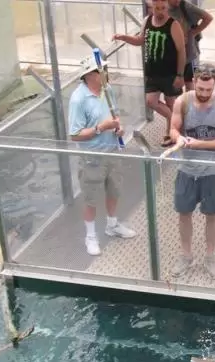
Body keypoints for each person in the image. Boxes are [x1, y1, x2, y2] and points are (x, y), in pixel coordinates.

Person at [168, 63, 215, 278]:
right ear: (194, 84)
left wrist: (198, 144)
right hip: (187, 170)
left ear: (214, 85)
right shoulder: (183, 102)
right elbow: (173, 129)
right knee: (184, 213)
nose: (204, 93)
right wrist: (177, 138)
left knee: (212, 214)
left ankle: (210, 256)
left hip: (213, 171)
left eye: (208, 90)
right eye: (200, 89)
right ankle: (186, 255)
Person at [67, 58, 138, 256]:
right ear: (89, 75)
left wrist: (118, 128)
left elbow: (115, 118)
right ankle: (90, 236)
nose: (106, 72)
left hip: (112, 151)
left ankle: (112, 225)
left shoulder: (108, 91)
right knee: (90, 198)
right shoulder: (78, 99)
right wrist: (101, 128)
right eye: (102, 70)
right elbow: (74, 134)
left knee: (114, 190)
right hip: (92, 157)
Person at [113, 0, 187, 148]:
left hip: (170, 73)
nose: (160, 11)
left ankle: (170, 133)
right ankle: (173, 121)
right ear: (152, 7)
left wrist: (180, 75)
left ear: (167, 8)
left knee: (172, 103)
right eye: (157, 8)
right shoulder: (147, 20)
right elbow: (140, 40)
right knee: (151, 102)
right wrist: (124, 37)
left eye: (163, 8)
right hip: (152, 73)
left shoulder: (173, 25)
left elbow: (181, 51)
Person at [166, 0, 213, 92]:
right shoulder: (161, 7)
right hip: (171, 54)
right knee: (174, 85)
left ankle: (189, 104)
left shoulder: (185, 5)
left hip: (189, 53)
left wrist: (194, 32)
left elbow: (208, 17)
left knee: (189, 82)